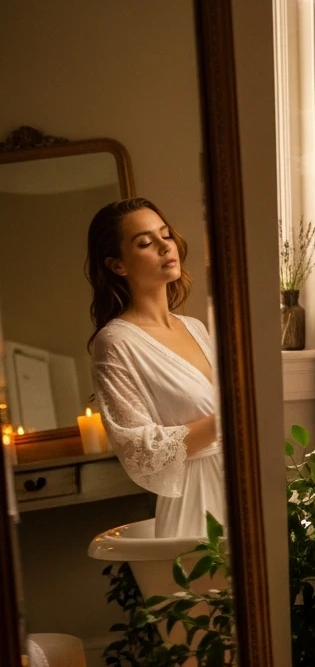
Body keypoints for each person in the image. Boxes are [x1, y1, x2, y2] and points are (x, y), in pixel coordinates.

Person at [86, 198, 224, 538]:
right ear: (118, 266)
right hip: (195, 502)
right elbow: (139, 450)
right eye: (146, 243)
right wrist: (227, 420)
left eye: (166, 235)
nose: (166, 246)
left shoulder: (196, 327)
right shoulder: (115, 342)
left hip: (238, 484)